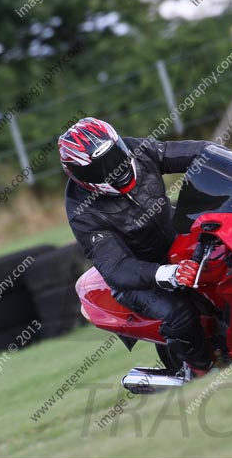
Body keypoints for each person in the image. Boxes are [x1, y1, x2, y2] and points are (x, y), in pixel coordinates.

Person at [59, 117, 216, 379]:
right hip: (138, 277)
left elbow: (197, 152)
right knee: (180, 314)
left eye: (115, 154)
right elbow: (118, 268)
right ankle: (201, 372)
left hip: (175, 238)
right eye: (100, 168)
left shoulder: (138, 150)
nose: (115, 168)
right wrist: (170, 274)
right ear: (80, 176)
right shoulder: (82, 211)